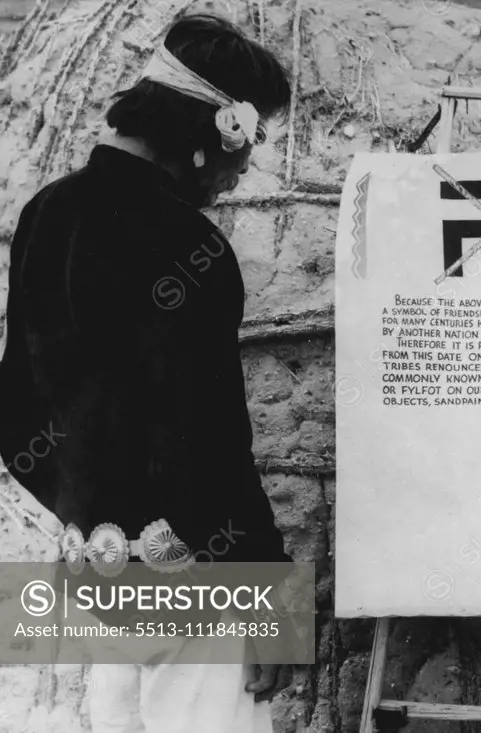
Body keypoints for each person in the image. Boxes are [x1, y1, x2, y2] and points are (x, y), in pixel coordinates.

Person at [0, 14, 295, 733]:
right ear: (209, 133)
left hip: (92, 578)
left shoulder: (44, 214)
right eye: (249, 142)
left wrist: (92, 517)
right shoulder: (191, 246)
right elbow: (212, 439)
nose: (245, 168)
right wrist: (266, 596)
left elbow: (14, 411)